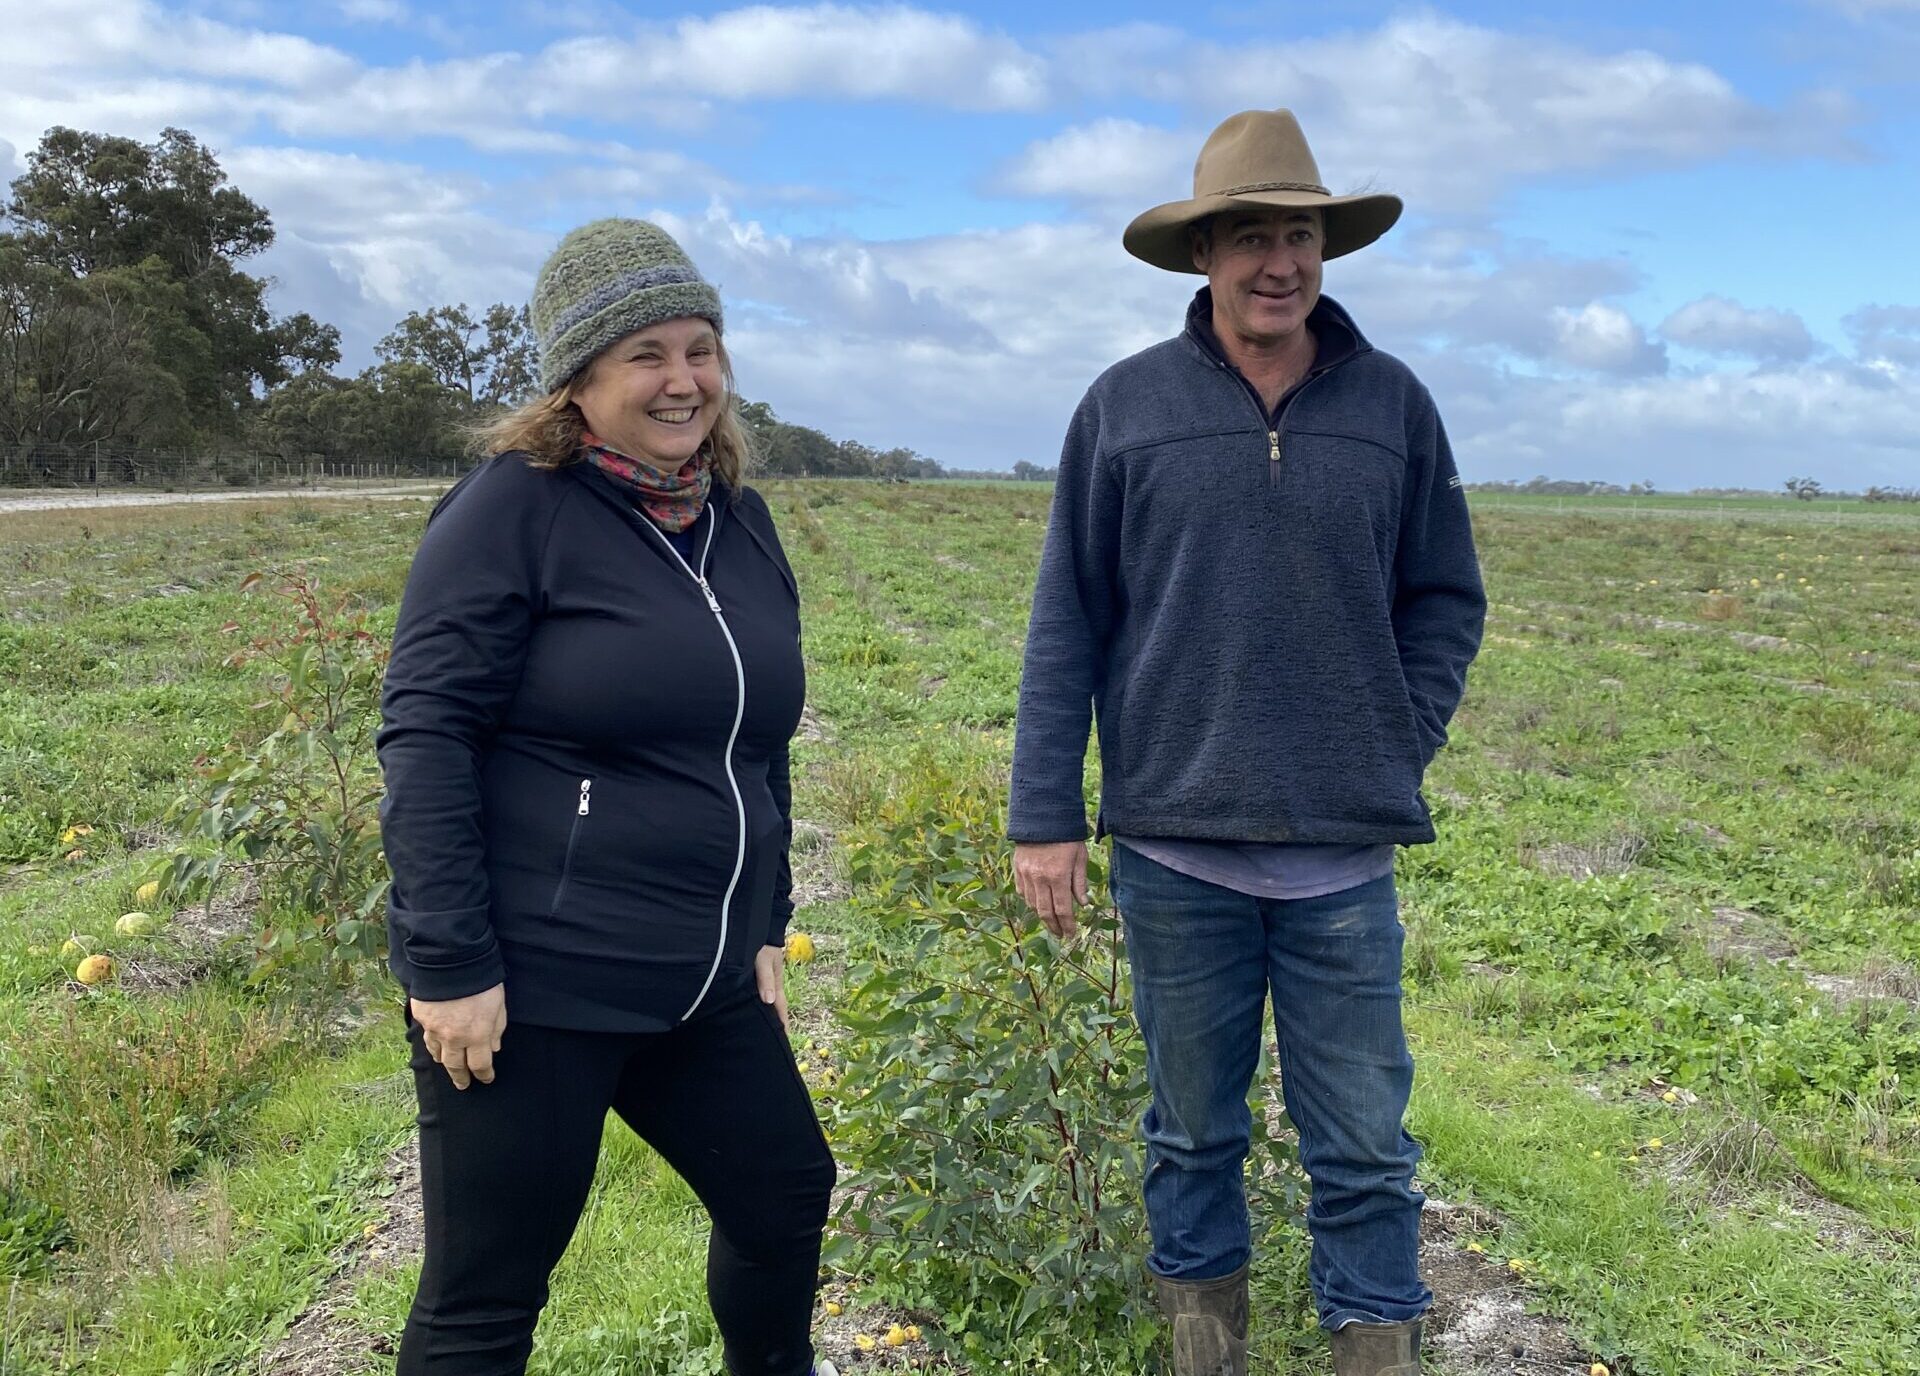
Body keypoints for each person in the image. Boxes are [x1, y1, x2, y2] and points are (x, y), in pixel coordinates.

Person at [1008, 110, 1486, 1376]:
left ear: (1324, 247)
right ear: (1204, 252)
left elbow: (1446, 597)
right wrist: (1042, 811)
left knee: (1367, 1147)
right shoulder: (1125, 407)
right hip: (1175, 856)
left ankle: (1373, 1353)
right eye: (1252, 237)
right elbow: (1069, 617)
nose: (1279, 261)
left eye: (1301, 234)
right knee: (1191, 1135)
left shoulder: (1393, 406)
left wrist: (1399, 728)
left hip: (1344, 858)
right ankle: (1201, 1356)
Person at [377, 219, 837, 1376]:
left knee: (785, 1194)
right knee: (487, 1293)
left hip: (701, 980)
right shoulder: (509, 511)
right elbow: (426, 734)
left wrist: (766, 921)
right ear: (576, 378)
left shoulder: (738, 518)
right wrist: (449, 966)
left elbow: (755, 741)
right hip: (540, 987)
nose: (684, 379)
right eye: (645, 353)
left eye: (701, 347)